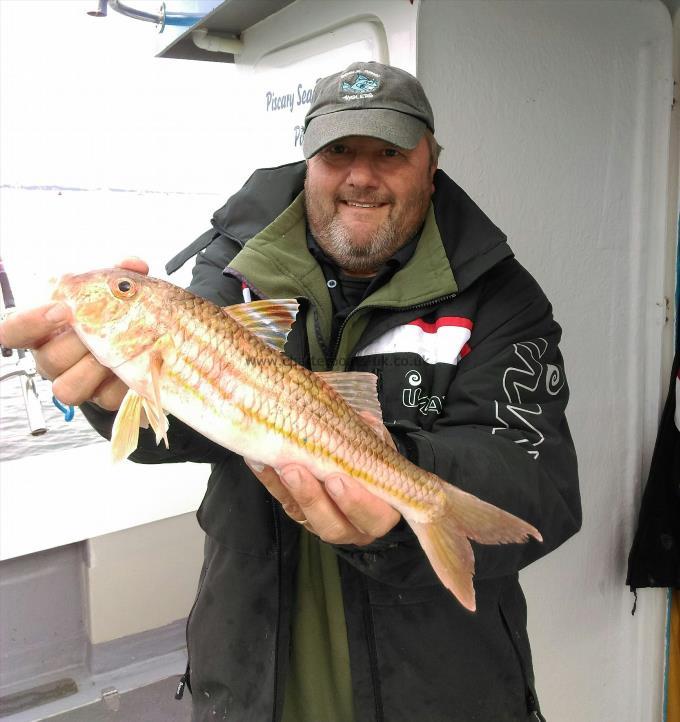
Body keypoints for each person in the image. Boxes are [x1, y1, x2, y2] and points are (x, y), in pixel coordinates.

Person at [0, 61, 581, 722]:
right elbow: (189, 425)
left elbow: (539, 478)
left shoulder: (501, 294)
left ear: (431, 161)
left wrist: (408, 490)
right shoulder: (237, 262)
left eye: (388, 151)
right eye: (338, 152)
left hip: (438, 688)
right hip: (254, 673)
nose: (360, 174)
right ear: (308, 160)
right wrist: (109, 397)